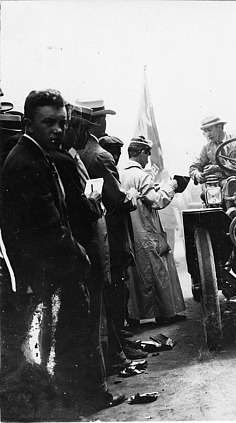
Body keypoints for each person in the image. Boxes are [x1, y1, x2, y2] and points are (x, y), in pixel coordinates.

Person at [0, 90, 125, 416]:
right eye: (48, 122)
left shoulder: (38, 155)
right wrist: (80, 256)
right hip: (44, 275)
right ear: (28, 123)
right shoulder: (26, 161)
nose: (57, 129)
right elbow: (48, 228)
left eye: (61, 123)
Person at [76, 98, 141, 368]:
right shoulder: (100, 155)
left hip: (95, 234)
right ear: (98, 122)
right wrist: (132, 198)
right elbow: (117, 199)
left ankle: (117, 345)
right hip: (111, 233)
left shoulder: (82, 153)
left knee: (109, 292)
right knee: (115, 289)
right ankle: (116, 349)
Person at [121, 136, 186, 324]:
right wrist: (171, 187)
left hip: (130, 230)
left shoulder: (120, 173)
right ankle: (165, 315)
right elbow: (157, 201)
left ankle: (133, 317)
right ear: (141, 153)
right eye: (147, 154)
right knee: (157, 271)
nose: (148, 158)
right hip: (146, 229)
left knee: (134, 275)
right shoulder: (141, 175)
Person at [189, 116, 231, 184]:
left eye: (209, 130)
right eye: (205, 131)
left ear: (219, 127)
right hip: (219, 186)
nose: (208, 134)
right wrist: (197, 174)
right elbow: (194, 167)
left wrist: (217, 168)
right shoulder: (207, 148)